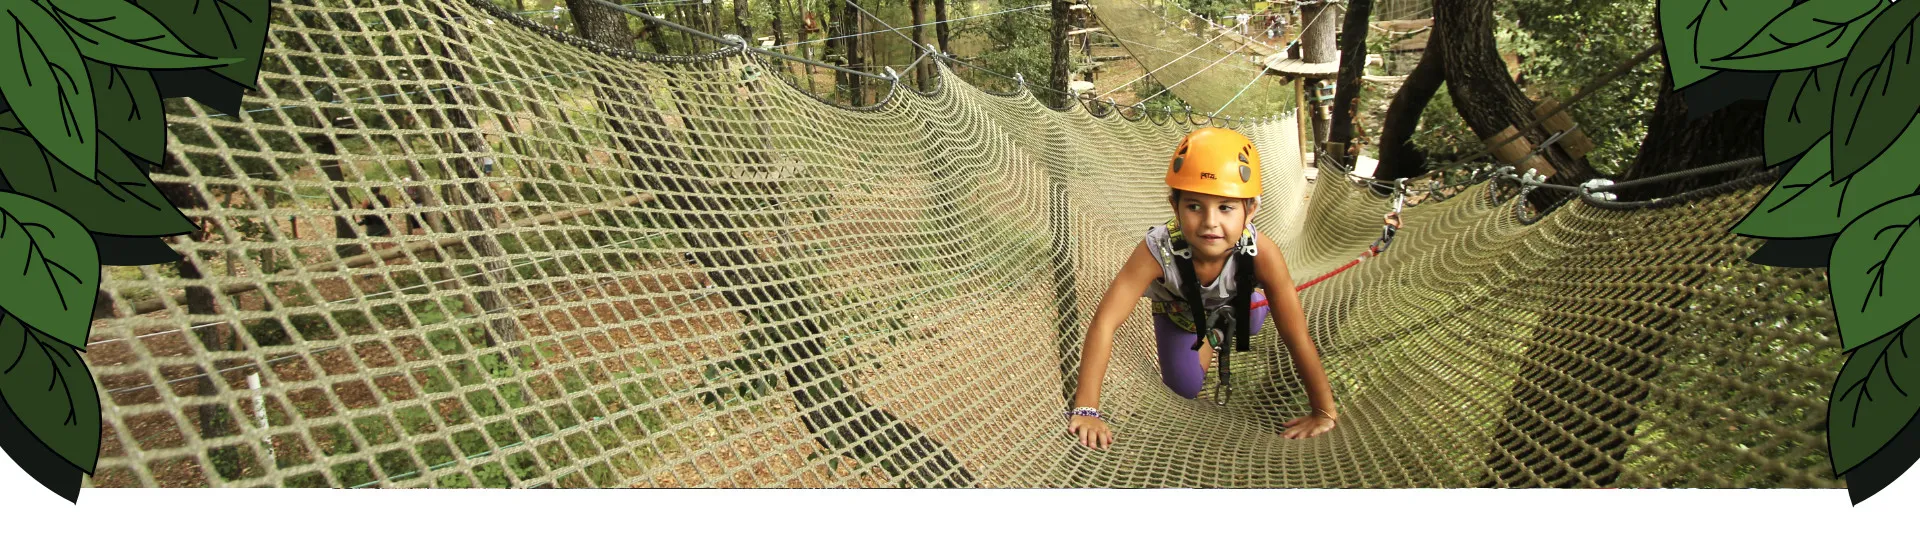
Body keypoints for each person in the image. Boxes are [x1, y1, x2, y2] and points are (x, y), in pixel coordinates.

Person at [1065, 128, 1341, 450]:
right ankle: (1215, 332)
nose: (1210, 222)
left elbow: (1296, 334)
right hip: (1181, 315)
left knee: (1250, 321)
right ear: (1175, 206)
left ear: (1250, 211)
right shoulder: (1157, 251)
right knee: (1184, 387)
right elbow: (1105, 322)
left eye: (1226, 207)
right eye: (1195, 206)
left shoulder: (1262, 254)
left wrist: (1324, 411)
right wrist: (1086, 409)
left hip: (1236, 301)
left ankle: (1241, 312)